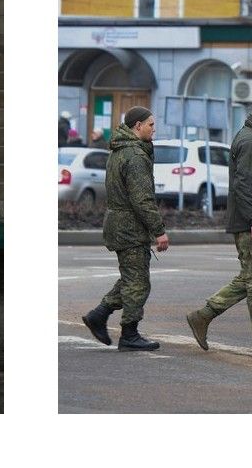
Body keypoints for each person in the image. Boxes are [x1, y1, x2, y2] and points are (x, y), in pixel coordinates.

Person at [185, 91, 252, 356]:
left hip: (251, 218)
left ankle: (204, 317)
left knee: (251, 278)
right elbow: (243, 184)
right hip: (250, 221)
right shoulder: (249, 141)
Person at [81, 106, 170, 351]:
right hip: (129, 227)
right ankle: (129, 334)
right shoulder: (134, 155)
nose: (154, 129)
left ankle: (98, 315)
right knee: (138, 283)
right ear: (137, 126)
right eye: (150, 124)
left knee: (132, 278)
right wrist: (159, 230)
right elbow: (142, 199)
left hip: (121, 224)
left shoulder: (120, 151)